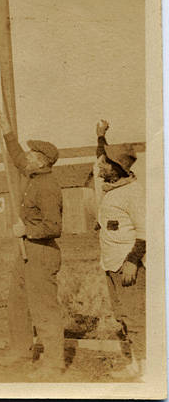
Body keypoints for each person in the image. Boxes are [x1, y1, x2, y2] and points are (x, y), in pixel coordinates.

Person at [0, 109, 65, 379]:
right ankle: (20, 349)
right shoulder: (33, 175)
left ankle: (54, 363)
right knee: (18, 301)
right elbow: (18, 158)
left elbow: (54, 227)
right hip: (27, 252)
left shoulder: (47, 187)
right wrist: (6, 130)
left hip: (41, 252)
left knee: (44, 308)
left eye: (32, 154)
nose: (27, 157)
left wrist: (27, 230)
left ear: (41, 161)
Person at [94, 121, 146, 379]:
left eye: (105, 163)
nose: (99, 166)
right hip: (111, 263)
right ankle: (136, 364)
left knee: (135, 317)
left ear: (116, 169)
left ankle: (147, 371)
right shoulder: (113, 186)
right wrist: (100, 137)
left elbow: (145, 231)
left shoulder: (132, 193)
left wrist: (132, 261)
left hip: (127, 265)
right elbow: (102, 158)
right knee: (122, 315)